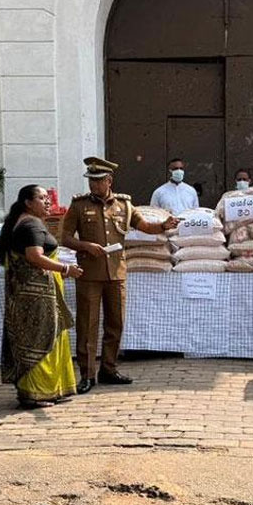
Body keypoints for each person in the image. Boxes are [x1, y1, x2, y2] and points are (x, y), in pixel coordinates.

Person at [61, 157, 179, 394]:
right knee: (88, 325)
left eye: (97, 181)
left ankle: (109, 369)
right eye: (90, 181)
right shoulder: (79, 205)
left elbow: (144, 226)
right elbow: (64, 238)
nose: (93, 186)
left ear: (109, 181)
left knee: (116, 323)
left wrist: (164, 226)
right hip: (89, 274)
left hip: (116, 273)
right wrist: (84, 246)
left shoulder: (124, 205)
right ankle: (87, 375)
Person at [0, 185, 83, 409]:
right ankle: (35, 393)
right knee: (40, 339)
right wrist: (65, 269)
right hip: (36, 296)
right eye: (41, 198)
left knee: (45, 338)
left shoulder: (23, 222)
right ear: (28, 202)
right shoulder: (31, 225)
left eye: (47, 198)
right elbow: (34, 256)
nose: (47, 202)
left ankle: (49, 389)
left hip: (31, 293)